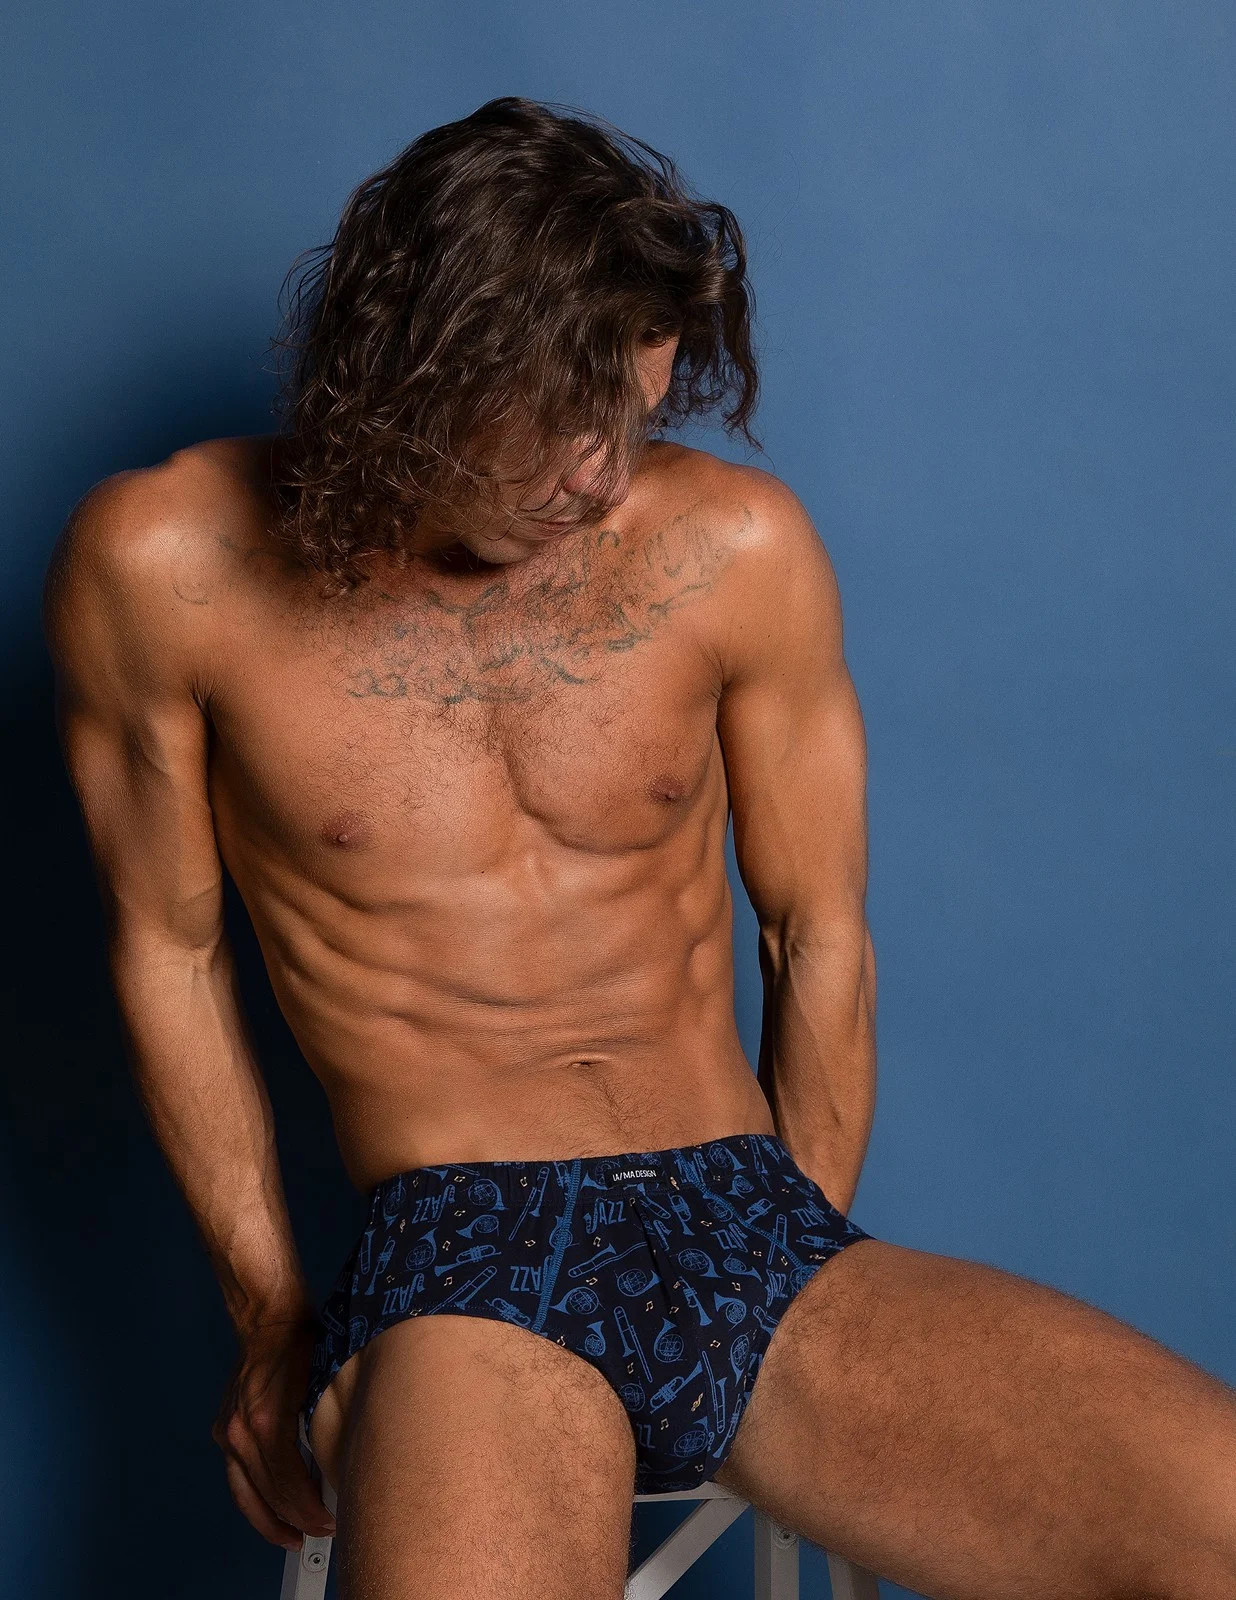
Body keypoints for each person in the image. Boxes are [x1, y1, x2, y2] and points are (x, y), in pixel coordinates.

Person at [44, 96, 1236, 1600]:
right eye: (563, 426)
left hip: (741, 1214)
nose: (602, 477)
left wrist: (796, 1254)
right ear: (414, 371)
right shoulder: (166, 566)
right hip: (460, 1255)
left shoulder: (734, 549)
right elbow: (170, 951)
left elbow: (817, 933)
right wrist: (271, 1315)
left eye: (635, 418)